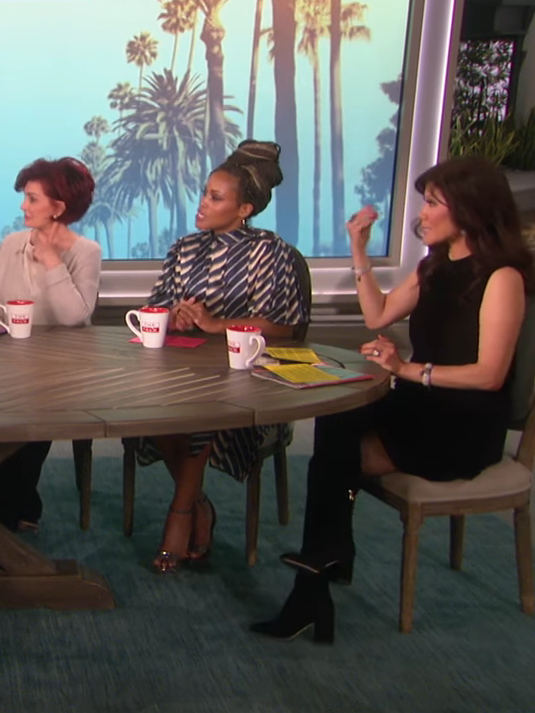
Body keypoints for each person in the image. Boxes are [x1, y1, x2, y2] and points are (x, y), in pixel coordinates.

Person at [250, 155, 535, 643]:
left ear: (469, 209)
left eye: (433, 203)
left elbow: (490, 376)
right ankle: (324, 566)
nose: (422, 214)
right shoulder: (433, 266)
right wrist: (359, 249)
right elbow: (378, 314)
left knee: (338, 460)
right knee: (338, 411)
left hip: (464, 424)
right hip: (422, 403)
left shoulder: (501, 278)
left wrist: (405, 369)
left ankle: (316, 579)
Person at [129, 139, 308, 573]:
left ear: (244, 209)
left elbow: (283, 326)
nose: (203, 204)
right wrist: (176, 315)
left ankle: (181, 514)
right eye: (205, 193)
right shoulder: (184, 248)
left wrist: (214, 324)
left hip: (247, 380)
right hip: (181, 369)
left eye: (215, 197)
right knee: (155, 407)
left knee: (201, 414)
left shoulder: (270, 252)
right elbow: (157, 304)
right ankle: (198, 504)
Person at [0, 156, 101, 532]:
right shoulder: (10, 245)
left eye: (32, 199)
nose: (23, 206)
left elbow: (74, 317)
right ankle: (21, 508)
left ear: (58, 208)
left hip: (57, 373)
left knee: (29, 424)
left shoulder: (86, 252)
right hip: (3, 367)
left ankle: (2, 525)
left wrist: (51, 261)